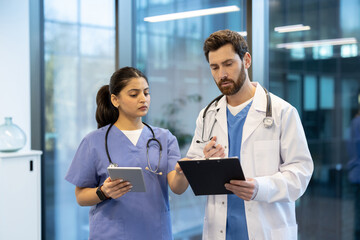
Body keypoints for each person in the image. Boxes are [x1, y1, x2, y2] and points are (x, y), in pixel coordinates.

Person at [186, 29, 314, 240]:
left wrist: (259, 188)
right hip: (220, 232)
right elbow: (193, 167)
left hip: (267, 230)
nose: (222, 74)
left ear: (246, 60)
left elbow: (300, 174)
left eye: (228, 64)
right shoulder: (207, 115)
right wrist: (205, 161)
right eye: (214, 67)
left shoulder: (283, 112)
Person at [65, 66, 188, 240]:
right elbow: (80, 197)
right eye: (134, 94)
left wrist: (182, 172)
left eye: (146, 93)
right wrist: (104, 191)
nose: (143, 99)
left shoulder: (164, 138)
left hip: (155, 231)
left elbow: (177, 187)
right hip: (111, 234)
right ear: (115, 100)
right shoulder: (93, 142)